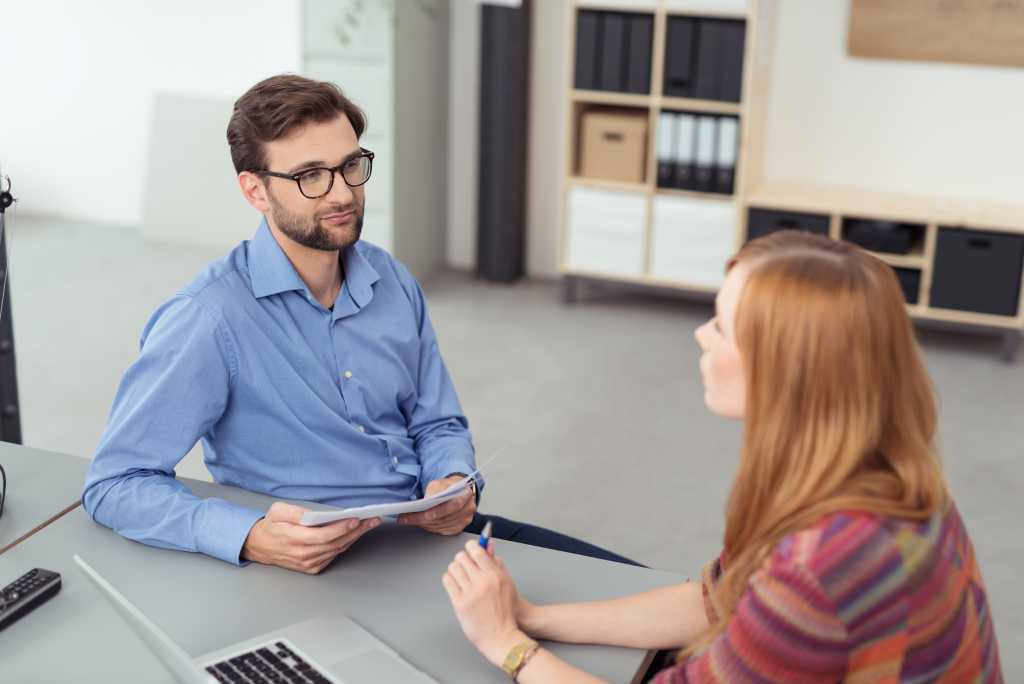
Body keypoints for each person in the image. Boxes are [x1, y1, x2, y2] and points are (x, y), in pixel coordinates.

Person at [82, 74, 633, 573]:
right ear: (255, 190)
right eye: (310, 177)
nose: (344, 193)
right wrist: (249, 536)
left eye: (350, 166)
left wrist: (451, 480)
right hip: (317, 567)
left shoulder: (389, 279)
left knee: (644, 596)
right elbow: (114, 483)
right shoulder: (207, 318)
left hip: (426, 538)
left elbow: (437, 421)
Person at [442, 231, 1004, 683]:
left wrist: (508, 647)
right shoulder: (866, 472)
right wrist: (535, 617)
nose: (700, 335)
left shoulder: (823, 563)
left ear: (785, 372)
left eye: (722, 327)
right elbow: (714, 601)